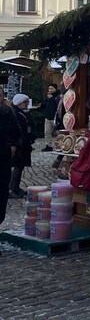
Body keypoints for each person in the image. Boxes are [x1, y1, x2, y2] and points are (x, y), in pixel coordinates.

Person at [0, 88, 22, 225]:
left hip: (2, 158)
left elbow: (17, 133)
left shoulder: (8, 113)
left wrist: (13, 146)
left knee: (1, 192)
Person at [9, 94, 33, 198]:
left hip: (24, 143)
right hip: (19, 144)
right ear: (19, 103)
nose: (27, 104)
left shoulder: (23, 113)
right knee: (18, 165)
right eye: (25, 102)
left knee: (20, 166)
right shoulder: (16, 114)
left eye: (27, 101)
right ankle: (12, 188)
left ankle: (14, 187)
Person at [42, 83, 62, 152]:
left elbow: (57, 106)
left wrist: (52, 99)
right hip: (48, 117)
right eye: (49, 88)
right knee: (47, 132)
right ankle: (48, 145)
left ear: (55, 89)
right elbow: (44, 105)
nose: (50, 90)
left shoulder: (58, 96)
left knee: (58, 132)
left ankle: (59, 145)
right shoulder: (48, 96)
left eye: (51, 88)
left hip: (56, 117)